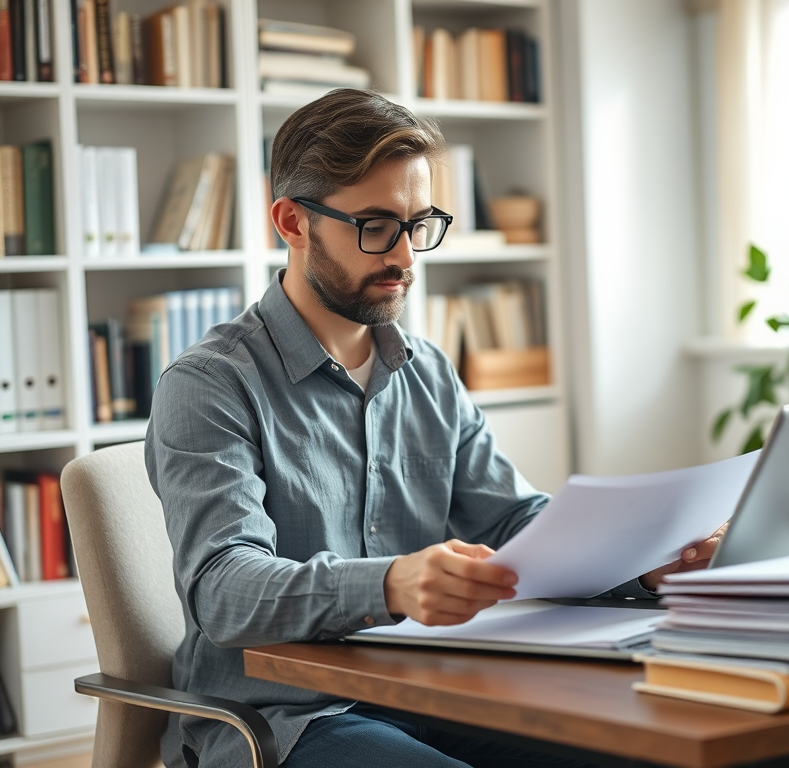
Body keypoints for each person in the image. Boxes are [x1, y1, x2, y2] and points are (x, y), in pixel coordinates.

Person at [145, 88, 726, 768]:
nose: (407, 258)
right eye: (375, 226)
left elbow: (514, 522)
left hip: (434, 693)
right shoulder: (210, 384)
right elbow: (223, 589)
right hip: (281, 720)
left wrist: (640, 560)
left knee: (647, 749)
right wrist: (390, 584)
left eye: (418, 224)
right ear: (292, 221)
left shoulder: (427, 372)